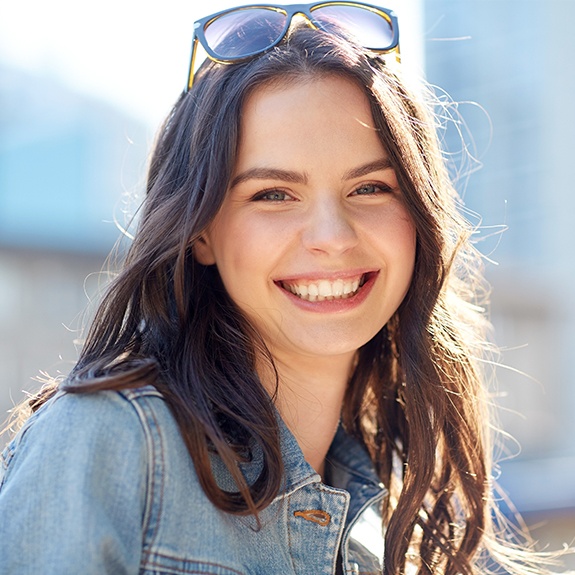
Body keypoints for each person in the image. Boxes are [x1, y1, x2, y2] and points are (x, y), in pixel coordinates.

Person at [0, 3, 566, 574]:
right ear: (200, 232)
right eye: (273, 194)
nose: (332, 237)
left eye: (371, 187)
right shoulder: (112, 443)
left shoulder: (394, 517)